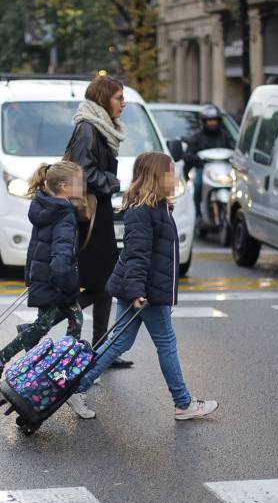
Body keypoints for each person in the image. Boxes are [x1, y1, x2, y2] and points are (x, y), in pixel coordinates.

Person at [64, 152, 220, 421]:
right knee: (166, 343)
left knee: (119, 342)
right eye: (170, 173)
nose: (175, 179)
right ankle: (182, 402)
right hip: (145, 291)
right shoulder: (143, 212)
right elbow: (136, 254)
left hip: (143, 288)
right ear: (156, 177)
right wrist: (137, 291)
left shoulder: (156, 207)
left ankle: (78, 387)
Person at [0, 161, 86, 385]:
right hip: (55, 281)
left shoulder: (46, 207)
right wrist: (66, 284)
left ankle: (63, 366)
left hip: (44, 276)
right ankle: (0, 359)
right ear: (63, 186)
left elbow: (37, 247)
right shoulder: (63, 214)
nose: (82, 187)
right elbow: (61, 253)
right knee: (47, 324)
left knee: (75, 319)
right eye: (79, 183)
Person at [57, 74, 134, 368]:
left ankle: (100, 349)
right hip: (87, 214)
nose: (123, 103)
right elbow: (81, 172)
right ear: (104, 99)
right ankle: (48, 323)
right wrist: (111, 183)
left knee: (104, 281)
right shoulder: (88, 128)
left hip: (97, 211)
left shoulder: (101, 127)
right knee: (101, 283)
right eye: (119, 97)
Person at [184, 106, 235, 216]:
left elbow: (234, 149)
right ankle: (197, 214)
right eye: (209, 120)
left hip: (223, 171)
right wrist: (197, 159)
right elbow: (188, 154)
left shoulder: (225, 135)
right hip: (203, 169)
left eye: (214, 120)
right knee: (197, 185)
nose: (212, 123)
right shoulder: (197, 137)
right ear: (204, 122)